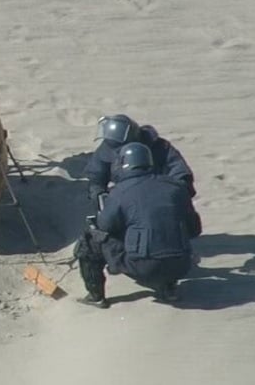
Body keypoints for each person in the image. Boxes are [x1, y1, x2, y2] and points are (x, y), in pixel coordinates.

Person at [74, 142, 202, 308]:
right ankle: (168, 288)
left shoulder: (120, 192)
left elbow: (105, 226)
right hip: (181, 265)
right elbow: (194, 229)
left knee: (89, 241)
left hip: (143, 266)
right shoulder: (176, 187)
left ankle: (95, 295)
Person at [84, 114, 196, 207]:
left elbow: (180, 173)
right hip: (126, 196)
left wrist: (172, 193)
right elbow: (95, 175)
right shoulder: (108, 148)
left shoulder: (160, 147)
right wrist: (98, 193)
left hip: (159, 195)